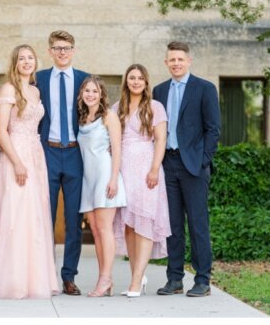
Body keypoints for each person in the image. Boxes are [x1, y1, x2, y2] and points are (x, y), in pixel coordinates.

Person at [0, 44, 59, 299]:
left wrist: (30, 160)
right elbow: (2, 130)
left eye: (30, 58)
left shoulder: (36, 91)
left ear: (35, 62)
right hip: (15, 156)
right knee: (15, 216)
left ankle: (35, 280)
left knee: (35, 217)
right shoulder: (8, 89)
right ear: (14, 63)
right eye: (21, 58)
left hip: (36, 156)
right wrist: (16, 162)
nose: (26, 62)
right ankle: (12, 281)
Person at [153, 41, 220, 298]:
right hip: (166, 165)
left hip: (193, 166)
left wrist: (203, 160)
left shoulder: (204, 88)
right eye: (172, 60)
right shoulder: (159, 91)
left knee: (198, 224)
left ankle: (203, 280)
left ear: (188, 61)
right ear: (166, 62)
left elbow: (213, 129)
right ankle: (175, 279)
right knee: (172, 225)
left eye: (180, 59)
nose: (176, 63)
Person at [34, 30, 89, 295]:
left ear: (74, 50)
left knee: (73, 218)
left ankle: (69, 276)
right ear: (50, 51)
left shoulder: (84, 79)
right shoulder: (39, 78)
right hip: (48, 152)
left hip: (76, 154)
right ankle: (45, 275)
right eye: (57, 48)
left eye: (67, 47)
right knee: (45, 216)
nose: (62, 52)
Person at [112, 64, 170, 298]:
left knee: (144, 221)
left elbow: (161, 139)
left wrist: (155, 168)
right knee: (128, 224)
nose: (135, 81)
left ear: (146, 83)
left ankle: (136, 281)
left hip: (146, 168)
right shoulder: (117, 108)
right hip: (123, 169)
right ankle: (137, 273)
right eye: (131, 78)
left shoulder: (155, 107)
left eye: (140, 78)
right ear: (126, 81)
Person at [75, 75, 126, 297]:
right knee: (95, 230)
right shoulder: (82, 118)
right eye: (87, 91)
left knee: (105, 229)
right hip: (88, 177)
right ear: (81, 94)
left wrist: (114, 178)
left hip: (105, 175)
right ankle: (104, 279)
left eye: (95, 91)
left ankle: (105, 279)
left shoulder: (109, 117)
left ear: (101, 94)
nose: (90, 95)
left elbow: (117, 149)